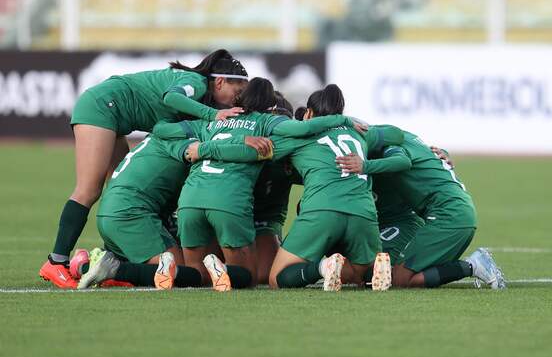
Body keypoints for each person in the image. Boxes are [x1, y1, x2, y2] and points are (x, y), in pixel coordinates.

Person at [41, 49, 249, 288]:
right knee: (89, 189)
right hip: (103, 106)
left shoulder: (201, 90)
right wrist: (213, 114)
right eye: (237, 91)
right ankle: (56, 261)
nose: (237, 99)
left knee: (118, 186)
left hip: (115, 113)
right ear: (220, 81)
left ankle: (110, 261)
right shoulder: (198, 82)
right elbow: (171, 97)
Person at [152, 78, 352, 291]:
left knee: (198, 274)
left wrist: (197, 148)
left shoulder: (216, 121)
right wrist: (345, 121)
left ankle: (173, 268)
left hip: (196, 201)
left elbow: (161, 130)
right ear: (270, 109)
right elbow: (301, 132)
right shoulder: (266, 129)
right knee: (251, 276)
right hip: (229, 205)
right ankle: (223, 269)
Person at [76, 134, 271, 290]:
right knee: (184, 273)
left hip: (114, 209)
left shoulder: (161, 133)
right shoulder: (186, 137)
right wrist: (242, 140)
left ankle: (83, 263)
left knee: (183, 266)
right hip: (132, 213)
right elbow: (196, 154)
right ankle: (113, 268)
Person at [268, 84, 402, 292]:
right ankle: (373, 270)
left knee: (277, 278)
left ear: (310, 114)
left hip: (322, 210)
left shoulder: (300, 135)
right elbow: (396, 135)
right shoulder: (357, 132)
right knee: (359, 276)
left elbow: (261, 150)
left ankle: (324, 266)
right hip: (364, 213)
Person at [336, 129, 506, 289]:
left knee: (399, 279)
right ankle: (467, 265)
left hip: (448, 214)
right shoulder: (410, 139)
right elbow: (430, 155)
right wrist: (444, 152)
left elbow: (402, 162)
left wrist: (364, 165)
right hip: (455, 211)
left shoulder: (391, 148)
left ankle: (472, 266)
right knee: (394, 271)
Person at [252, 92, 297, 284]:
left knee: (264, 275)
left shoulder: (294, 155)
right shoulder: (242, 144)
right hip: (231, 216)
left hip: (265, 221)